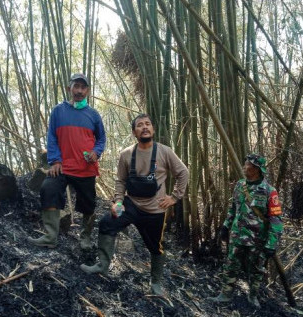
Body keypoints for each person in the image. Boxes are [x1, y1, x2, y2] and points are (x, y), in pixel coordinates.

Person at [80, 114, 189, 296]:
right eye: (140, 125)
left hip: (155, 209)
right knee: (107, 223)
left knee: (156, 246)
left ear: (153, 130)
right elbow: (121, 181)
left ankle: (156, 283)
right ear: (134, 132)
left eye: (148, 124)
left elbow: (183, 172)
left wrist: (175, 197)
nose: (144, 127)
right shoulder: (126, 154)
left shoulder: (165, 151)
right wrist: (118, 201)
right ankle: (102, 265)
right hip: (130, 204)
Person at [28, 73, 106, 250]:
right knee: (49, 189)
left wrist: (96, 152)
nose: (79, 91)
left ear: (87, 91)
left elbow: (101, 139)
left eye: (83, 87)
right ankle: (50, 236)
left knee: (89, 204)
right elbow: (52, 137)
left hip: (86, 167)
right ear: (68, 88)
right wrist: (55, 161)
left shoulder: (93, 114)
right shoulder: (58, 111)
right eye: (76, 86)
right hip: (62, 166)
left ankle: (85, 238)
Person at [210, 154, 283, 308]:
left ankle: (253, 296)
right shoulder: (240, 185)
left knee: (256, 269)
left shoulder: (269, 191)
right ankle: (225, 294)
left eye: (247, 164)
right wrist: (225, 225)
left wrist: (271, 243)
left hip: (257, 239)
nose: (244, 167)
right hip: (237, 235)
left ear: (256, 169)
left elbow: (276, 220)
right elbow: (233, 208)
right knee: (230, 264)